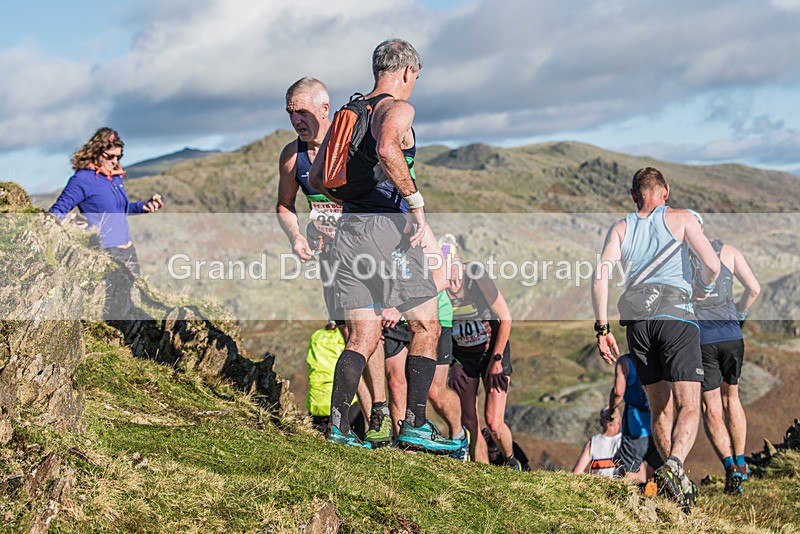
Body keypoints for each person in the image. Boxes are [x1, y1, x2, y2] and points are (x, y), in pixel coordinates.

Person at [308, 39, 457, 453]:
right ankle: (415, 424)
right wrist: (415, 203)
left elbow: (318, 179)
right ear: (408, 71)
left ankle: (338, 428)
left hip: (347, 233)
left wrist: (354, 203)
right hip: (387, 231)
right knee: (426, 325)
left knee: (362, 335)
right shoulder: (398, 108)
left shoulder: (347, 113)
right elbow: (388, 148)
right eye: (416, 77)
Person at [592, 167, 720, 511]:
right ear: (665, 192)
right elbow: (713, 265)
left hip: (638, 324)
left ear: (634, 196)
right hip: (676, 317)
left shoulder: (620, 227)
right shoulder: (682, 218)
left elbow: (600, 278)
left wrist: (602, 330)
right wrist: (703, 288)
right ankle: (675, 466)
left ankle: (674, 485)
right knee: (689, 403)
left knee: (659, 406)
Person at [278, 78, 390, 446]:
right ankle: (373, 421)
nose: (296, 120)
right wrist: (296, 236)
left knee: (370, 333)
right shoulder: (292, 156)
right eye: (291, 113)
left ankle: (383, 415)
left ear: (325, 109)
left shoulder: (350, 144)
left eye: (303, 112)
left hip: (365, 253)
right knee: (349, 335)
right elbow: (285, 205)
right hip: (330, 262)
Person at [689, 211, 760, 495]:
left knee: (711, 406)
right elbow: (753, 288)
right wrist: (739, 314)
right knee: (732, 397)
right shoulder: (728, 252)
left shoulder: (682, 258)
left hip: (702, 340)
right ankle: (742, 464)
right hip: (732, 335)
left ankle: (729, 467)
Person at [49, 127, 163, 275]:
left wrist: (143, 207)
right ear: (95, 152)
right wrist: (71, 226)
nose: (114, 161)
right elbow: (56, 212)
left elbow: (117, 209)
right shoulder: (82, 179)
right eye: (109, 156)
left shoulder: (114, 177)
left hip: (129, 251)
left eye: (118, 157)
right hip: (106, 253)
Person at [445, 244, 518, 467]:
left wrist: (496, 360)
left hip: (492, 353)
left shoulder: (476, 275)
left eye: (450, 263)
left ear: (458, 260)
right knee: (469, 421)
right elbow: (439, 329)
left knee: (494, 423)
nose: (447, 271)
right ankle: (482, 470)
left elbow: (505, 318)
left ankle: (511, 462)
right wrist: (452, 363)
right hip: (463, 358)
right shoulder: (437, 284)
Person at [382, 290, 469, 460]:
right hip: (393, 319)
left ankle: (459, 435)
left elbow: (439, 280)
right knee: (396, 384)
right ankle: (407, 451)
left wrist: (401, 306)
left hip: (432, 315)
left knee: (434, 391)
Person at [605, 353, 663, 484]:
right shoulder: (659, 359)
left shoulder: (625, 361)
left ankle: (635, 495)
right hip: (659, 424)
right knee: (660, 472)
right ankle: (655, 494)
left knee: (630, 473)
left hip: (634, 427)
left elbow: (618, 392)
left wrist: (611, 409)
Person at [306, 323, 367, 439]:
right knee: (358, 439)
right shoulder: (346, 336)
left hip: (316, 404)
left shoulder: (316, 336)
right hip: (345, 404)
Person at [572, 408, 623, 478]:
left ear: (601, 422)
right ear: (620, 420)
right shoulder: (625, 441)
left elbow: (576, 472)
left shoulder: (592, 443)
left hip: (598, 484)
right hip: (618, 484)